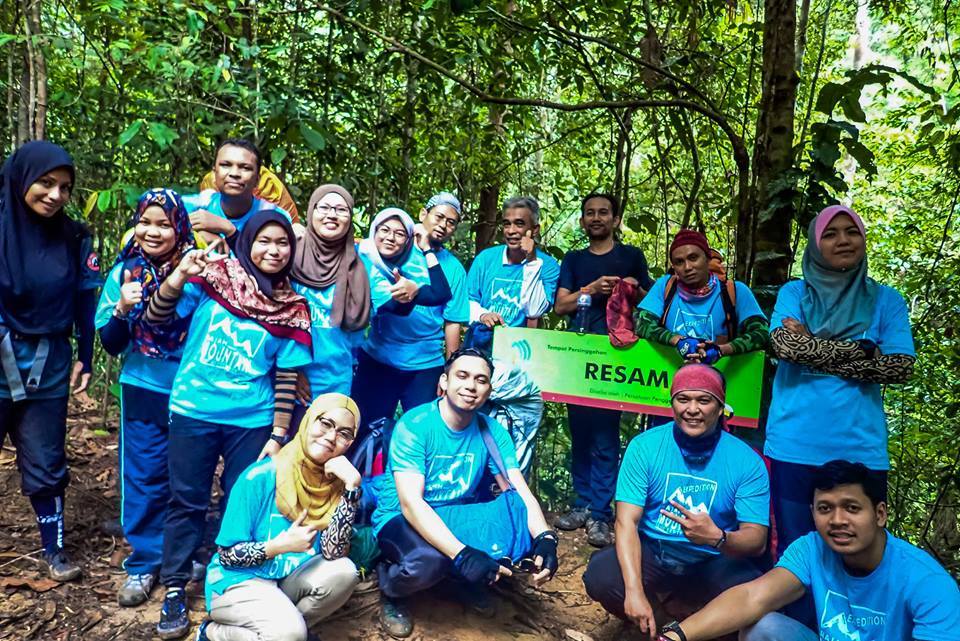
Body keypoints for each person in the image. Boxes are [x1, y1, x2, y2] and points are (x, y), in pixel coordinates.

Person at [143, 210, 313, 639]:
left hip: (252, 420)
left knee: (242, 500)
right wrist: (179, 275)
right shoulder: (213, 277)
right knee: (187, 500)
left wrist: (278, 434)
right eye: (264, 241)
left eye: (283, 243)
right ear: (248, 242)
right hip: (194, 410)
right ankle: (176, 586)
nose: (273, 251)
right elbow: (158, 316)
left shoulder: (292, 307)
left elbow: (286, 378)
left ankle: (235, 583)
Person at [763, 205, 916, 627]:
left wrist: (812, 342)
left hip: (860, 450)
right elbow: (784, 347)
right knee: (795, 555)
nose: (843, 240)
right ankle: (799, 631)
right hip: (794, 446)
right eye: (831, 234)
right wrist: (863, 352)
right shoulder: (795, 293)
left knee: (862, 554)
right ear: (816, 244)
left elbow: (898, 367)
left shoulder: (885, 300)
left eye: (852, 232)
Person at [656, 460, 960, 641]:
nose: (838, 520)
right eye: (825, 508)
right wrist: (676, 636)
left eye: (852, 508)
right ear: (813, 513)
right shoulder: (812, 548)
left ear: (880, 514)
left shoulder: (927, 582)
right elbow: (752, 597)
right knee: (762, 627)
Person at [371, 348, 560, 638]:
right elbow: (411, 504)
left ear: (489, 390)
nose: (471, 386)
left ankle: (455, 580)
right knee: (427, 562)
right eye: (462, 376)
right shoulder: (416, 425)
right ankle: (392, 590)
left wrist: (545, 539)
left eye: (481, 380)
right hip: (401, 517)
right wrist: (462, 554)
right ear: (444, 382)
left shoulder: (492, 431)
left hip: (455, 514)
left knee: (515, 524)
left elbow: (519, 491)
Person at [582, 364, 769, 638]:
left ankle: (703, 630)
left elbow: (757, 539)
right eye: (683, 399)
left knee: (758, 599)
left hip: (716, 557)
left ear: (720, 407)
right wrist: (633, 591)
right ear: (672, 404)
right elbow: (626, 522)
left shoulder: (746, 461)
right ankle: (665, 629)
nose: (692, 409)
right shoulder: (644, 447)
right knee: (602, 575)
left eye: (704, 400)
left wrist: (717, 538)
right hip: (656, 551)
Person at [0, 141, 99, 581]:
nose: (55, 195)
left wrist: (86, 355)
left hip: (49, 363)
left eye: (65, 187)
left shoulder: (74, 237)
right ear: (22, 179)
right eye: (45, 183)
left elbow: (85, 300)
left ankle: (54, 549)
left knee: (46, 459)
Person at [95, 188, 196, 606]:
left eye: (163, 224)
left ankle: (181, 557)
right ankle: (144, 562)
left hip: (193, 393)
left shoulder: (198, 272)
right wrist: (121, 307)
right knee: (143, 476)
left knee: (186, 479)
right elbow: (110, 343)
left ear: (179, 227)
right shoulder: (125, 272)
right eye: (145, 222)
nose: (152, 232)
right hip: (143, 386)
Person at [195, 394, 364, 641]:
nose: (331, 437)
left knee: (345, 572)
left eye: (344, 433)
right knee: (289, 633)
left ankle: (284, 632)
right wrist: (279, 546)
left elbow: (333, 553)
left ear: (349, 443)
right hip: (238, 581)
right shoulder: (260, 476)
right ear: (308, 421)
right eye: (325, 423)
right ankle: (212, 633)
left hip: (285, 579)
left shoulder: (335, 482)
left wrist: (351, 488)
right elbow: (227, 556)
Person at [553, 192, 654, 547]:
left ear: (615, 219)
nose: (596, 218)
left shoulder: (631, 256)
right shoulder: (574, 259)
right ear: (582, 221)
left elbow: (651, 302)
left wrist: (631, 290)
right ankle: (582, 504)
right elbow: (560, 305)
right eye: (590, 213)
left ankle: (600, 513)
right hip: (578, 355)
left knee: (606, 435)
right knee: (579, 432)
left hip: (616, 356)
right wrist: (591, 289)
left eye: (603, 212)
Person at [352, 193, 469, 427]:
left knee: (423, 431)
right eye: (439, 217)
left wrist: (450, 373)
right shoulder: (394, 248)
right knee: (363, 429)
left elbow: (452, 322)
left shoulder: (454, 269)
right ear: (423, 214)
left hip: (425, 364)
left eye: (451, 222)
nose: (443, 225)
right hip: (379, 356)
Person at [281, 184, 370, 436]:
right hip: (286, 378)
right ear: (311, 211)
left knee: (324, 450)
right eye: (325, 207)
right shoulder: (288, 254)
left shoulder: (360, 265)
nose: (332, 215)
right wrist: (292, 372)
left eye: (341, 210)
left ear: (350, 219)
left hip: (335, 379)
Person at [636, 229, 768, 367]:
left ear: (707, 258)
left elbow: (762, 333)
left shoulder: (734, 291)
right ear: (674, 267)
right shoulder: (666, 286)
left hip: (722, 375)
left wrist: (721, 350)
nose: (687, 267)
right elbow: (642, 324)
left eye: (693, 258)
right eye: (679, 262)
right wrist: (678, 341)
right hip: (669, 374)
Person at [466, 196, 560, 329]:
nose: (511, 231)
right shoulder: (485, 259)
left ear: (535, 230)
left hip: (520, 340)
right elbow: (467, 300)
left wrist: (532, 261)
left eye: (519, 224)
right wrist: (483, 315)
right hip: (481, 337)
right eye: (507, 224)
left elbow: (534, 311)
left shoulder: (548, 266)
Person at [182, 138, 292, 245]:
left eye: (245, 168)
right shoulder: (192, 206)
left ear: (257, 180)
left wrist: (228, 229)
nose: (234, 173)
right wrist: (194, 235)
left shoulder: (274, 217)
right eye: (225, 165)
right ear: (214, 174)